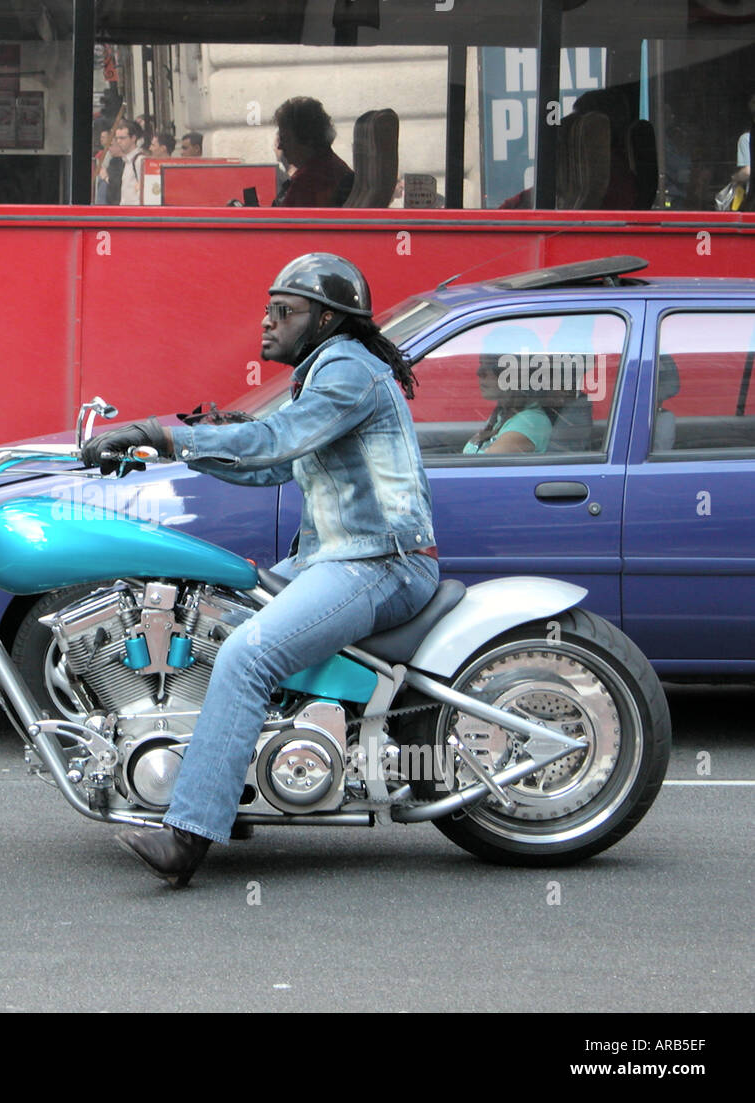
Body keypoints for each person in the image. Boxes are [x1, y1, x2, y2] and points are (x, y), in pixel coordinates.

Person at [82, 254, 438, 887]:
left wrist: (166, 436)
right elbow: (273, 466)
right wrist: (153, 450)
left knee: (248, 655)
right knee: (220, 620)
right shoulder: (324, 372)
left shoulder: (349, 369)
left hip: (379, 562)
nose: (267, 323)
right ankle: (224, 780)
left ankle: (188, 836)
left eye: (284, 311)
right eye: (267, 308)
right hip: (334, 558)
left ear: (327, 318)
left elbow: (275, 442)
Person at [463, 326, 555, 455]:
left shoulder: (529, 422)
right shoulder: (504, 413)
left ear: (516, 372)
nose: (479, 372)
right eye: (481, 363)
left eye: (491, 365)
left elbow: (479, 469)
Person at [272, 97, 354, 207]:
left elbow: (281, 222)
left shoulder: (311, 182)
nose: (280, 146)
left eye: (285, 139)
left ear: (307, 138)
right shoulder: (332, 166)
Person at [114, 119, 146, 206]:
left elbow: (144, 192)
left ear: (133, 138)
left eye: (122, 138)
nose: (118, 141)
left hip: (135, 213)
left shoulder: (140, 160)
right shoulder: (126, 160)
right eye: (117, 138)